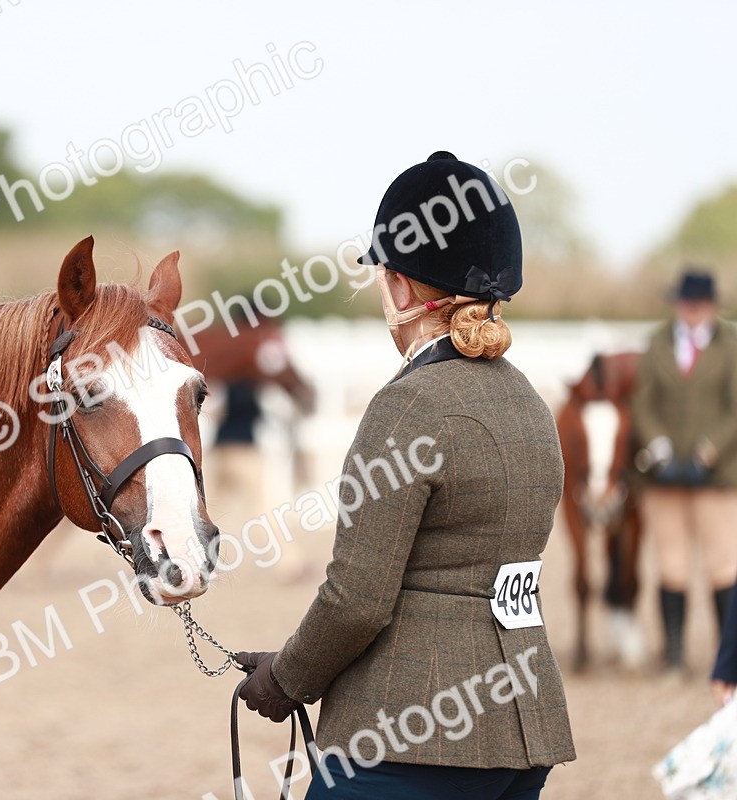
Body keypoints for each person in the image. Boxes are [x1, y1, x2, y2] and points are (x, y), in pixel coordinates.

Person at [236, 151, 575, 798]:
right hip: (524, 725)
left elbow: (357, 599)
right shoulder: (529, 401)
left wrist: (285, 680)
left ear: (400, 286)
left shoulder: (409, 404)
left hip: (411, 731)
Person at [632, 269, 737, 673]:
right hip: (665, 475)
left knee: (722, 565)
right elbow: (643, 402)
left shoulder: (729, 346)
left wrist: (709, 449)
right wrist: (658, 444)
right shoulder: (659, 342)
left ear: (710, 305)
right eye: (686, 304)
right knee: (671, 565)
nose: (692, 311)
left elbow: (734, 406)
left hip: (717, 475)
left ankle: (725, 655)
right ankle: (674, 656)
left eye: (699, 304)